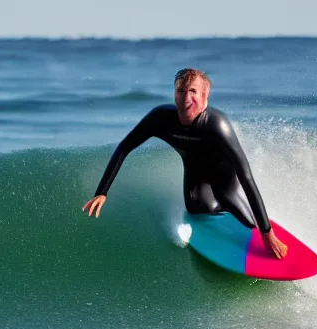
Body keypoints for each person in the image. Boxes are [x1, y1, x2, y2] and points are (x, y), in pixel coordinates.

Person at [82, 68, 288, 259]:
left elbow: (246, 176)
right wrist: (102, 191)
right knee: (197, 209)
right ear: (174, 94)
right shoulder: (160, 119)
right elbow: (124, 147)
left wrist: (266, 231)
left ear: (204, 97)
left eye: (193, 91)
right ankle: (219, 213)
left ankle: (243, 216)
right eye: (181, 90)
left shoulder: (217, 125)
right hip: (196, 175)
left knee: (244, 216)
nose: (186, 97)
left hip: (225, 180)